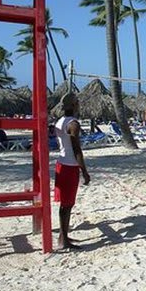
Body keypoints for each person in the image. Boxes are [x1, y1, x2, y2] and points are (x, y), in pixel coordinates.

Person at [53, 92, 91, 250]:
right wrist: (84, 171)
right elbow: (77, 150)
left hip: (61, 163)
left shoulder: (60, 121)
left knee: (65, 204)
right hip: (69, 166)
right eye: (77, 102)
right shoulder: (73, 123)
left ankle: (64, 235)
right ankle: (63, 238)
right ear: (74, 105)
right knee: (67, 204)